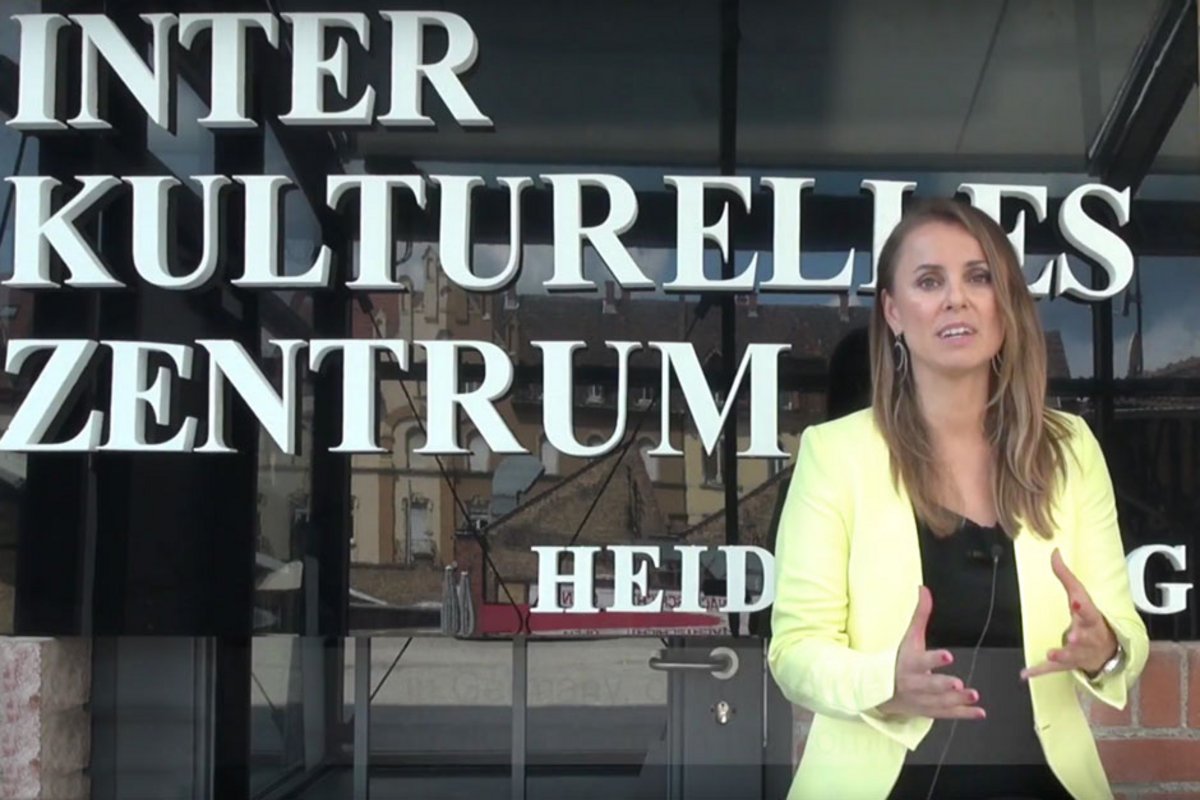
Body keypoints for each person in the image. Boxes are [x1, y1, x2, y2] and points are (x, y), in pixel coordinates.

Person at [768, 198, 1149, 800]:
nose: (956, 299)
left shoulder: (1071, 448)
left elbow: (1124, 633)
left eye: (979, 277)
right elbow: (794, 652)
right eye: (929, 281)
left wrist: (1103, 649)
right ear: (893, 312)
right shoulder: (835, 454)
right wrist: (886, 682)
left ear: (1005, 304)